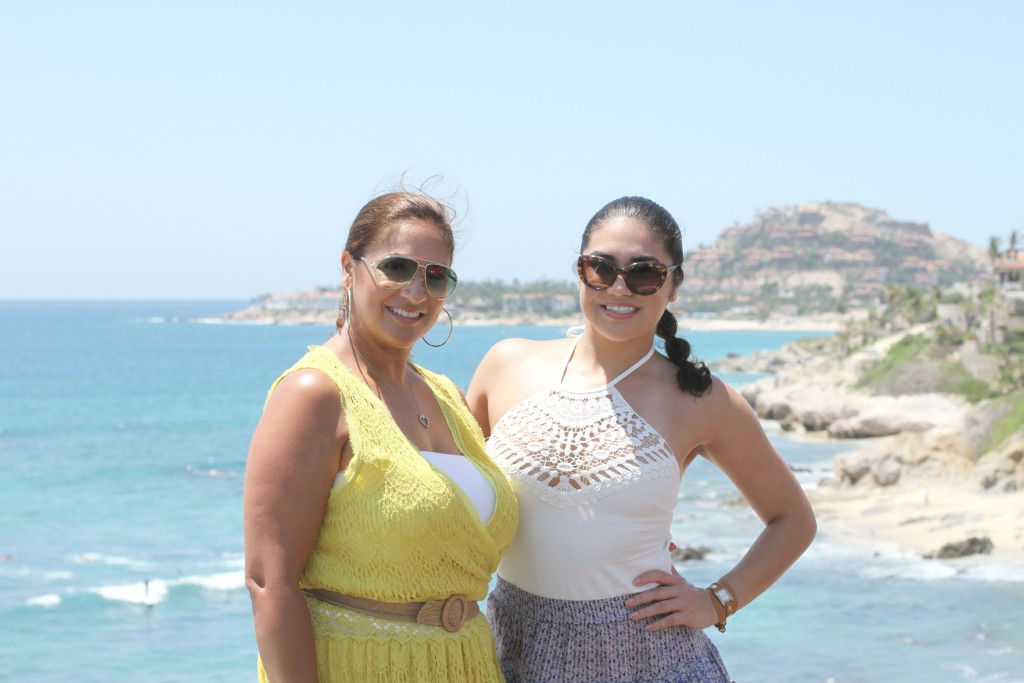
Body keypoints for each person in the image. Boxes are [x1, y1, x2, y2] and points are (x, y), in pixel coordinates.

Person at [467, 196, 816, 683]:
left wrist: (716, 601)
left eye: (644, 273)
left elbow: (792, 520)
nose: (619, 287)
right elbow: (448, 490)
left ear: (673, 285)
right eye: (601, 268)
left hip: (649, 658)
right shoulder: (505, 365)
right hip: (514, 646)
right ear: (580, 272)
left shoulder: (700, 400)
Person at [244, 190, 518, 682]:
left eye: (437, 276)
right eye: (397, 267)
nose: (416, 292)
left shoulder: (448, 396)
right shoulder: (315, 394)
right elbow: (269, 582)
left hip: (470, 666)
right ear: (349, 268)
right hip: (360, 666)